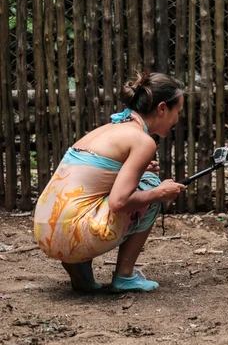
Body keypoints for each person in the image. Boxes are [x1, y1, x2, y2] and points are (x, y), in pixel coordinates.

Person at [33, 72, 186, 293]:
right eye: (177, 112)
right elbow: (119, 202)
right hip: (73, 234)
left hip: (45, 232)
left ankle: (79, 265)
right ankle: (124, 276)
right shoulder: (143, 141)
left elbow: (95, 180)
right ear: (162, 108)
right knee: (152, 184)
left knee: (142, 180)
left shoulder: (111, 128)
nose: (178, 120)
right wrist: (161, 192)